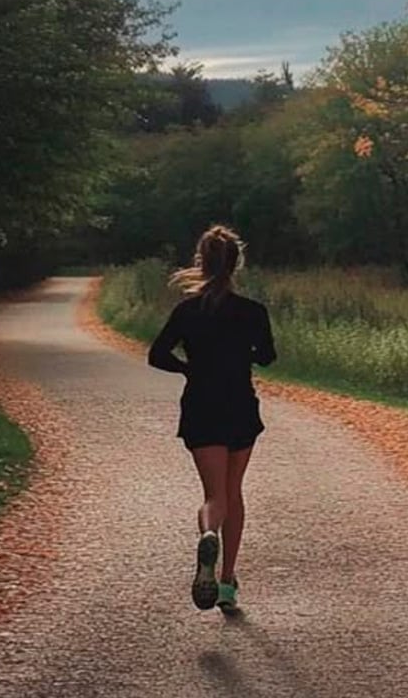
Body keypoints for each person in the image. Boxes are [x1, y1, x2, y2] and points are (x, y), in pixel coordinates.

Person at [148, 225, 276, 613]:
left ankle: (208, 533)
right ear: (236, 264)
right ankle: (226, 583)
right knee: (234, 492)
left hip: (201, 404)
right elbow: (268, 356)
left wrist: (189, 369)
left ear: (201, 262)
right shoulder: (252, 312)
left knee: (213, 496)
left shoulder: (187, 311)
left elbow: (157, 355)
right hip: (239, 403)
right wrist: (243, 356)